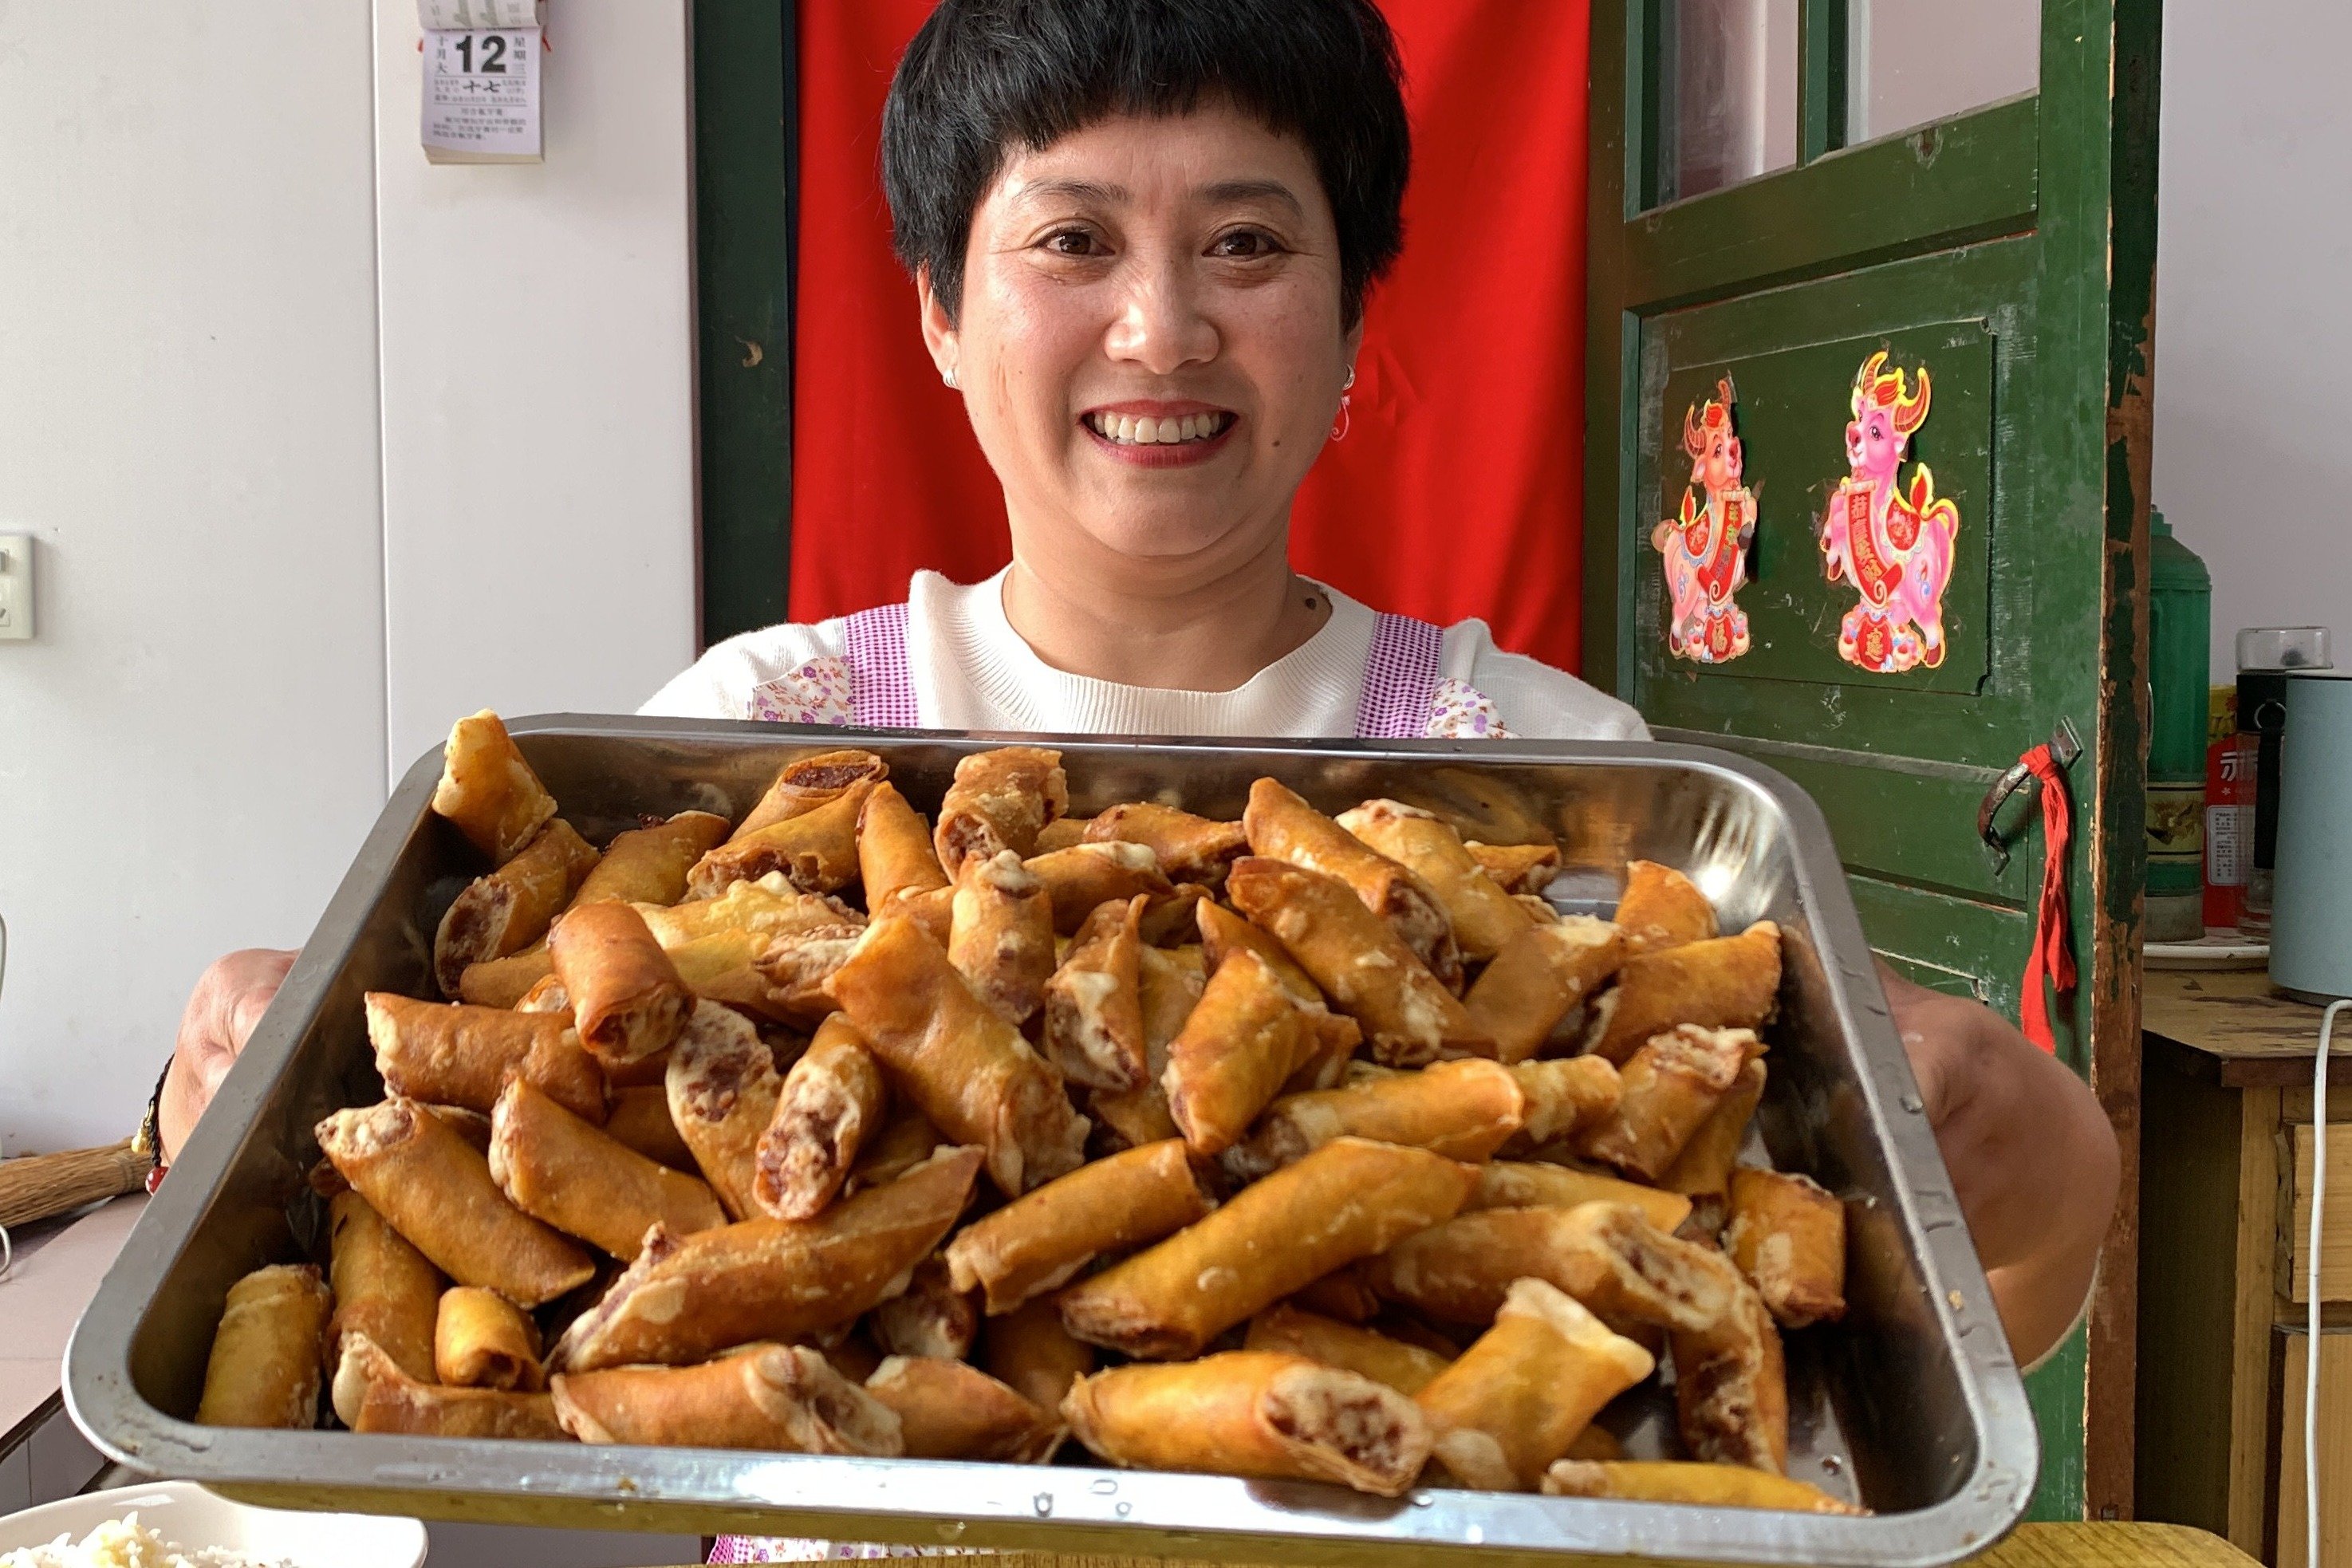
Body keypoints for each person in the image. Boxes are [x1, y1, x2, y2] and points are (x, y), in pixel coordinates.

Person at [160, 3, 2114, 1547]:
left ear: (1354, 321)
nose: (1160, 324)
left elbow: (1952, 1331)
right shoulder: (759, 726)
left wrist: (2024, 1156)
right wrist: (224, 1095)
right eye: (1071, 239)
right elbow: (418, 1273)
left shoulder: (1557, 783)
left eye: (1247, 243)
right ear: (937, 311)